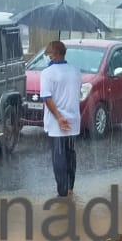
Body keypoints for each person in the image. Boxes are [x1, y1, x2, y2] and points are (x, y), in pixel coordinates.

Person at [38, 41, 82, 198]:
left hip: (57, 123)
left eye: (48, 54)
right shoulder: (76, 71)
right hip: (73, 120)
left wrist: (59, 117)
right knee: (70, 153)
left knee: (59, 156)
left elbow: (47, 98)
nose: (47, 57)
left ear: (54, 55)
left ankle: (62, 192)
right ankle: (70, 186)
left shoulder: (47, 73)